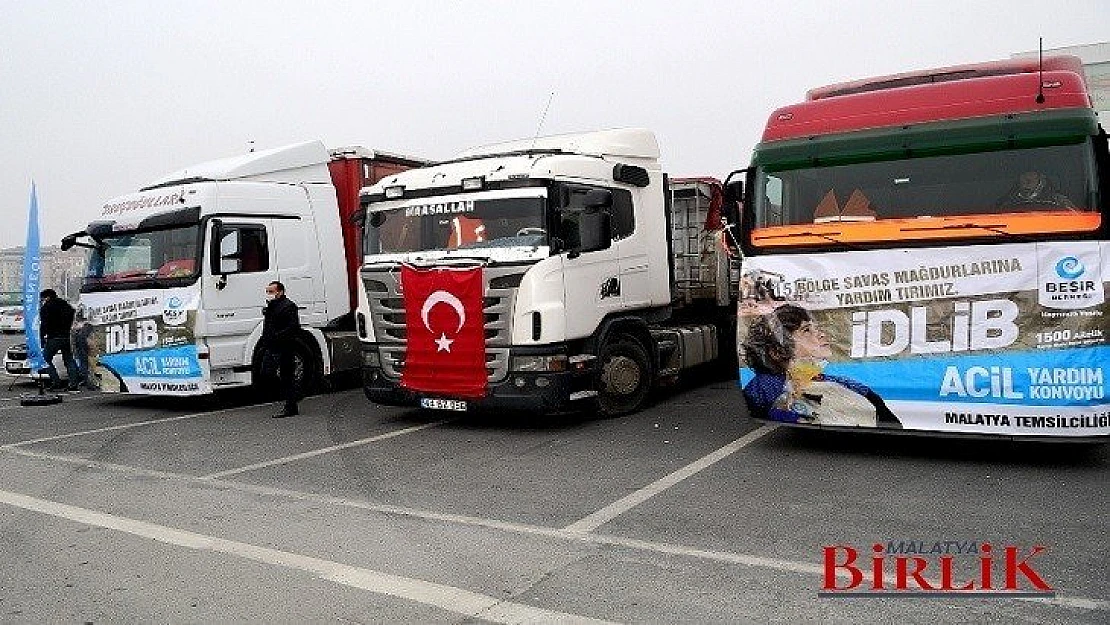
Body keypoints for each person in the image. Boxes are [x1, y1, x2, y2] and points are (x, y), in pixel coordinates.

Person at [741, 304, 901, 427]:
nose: (821, 334)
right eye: (806, 330)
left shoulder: (827, 380)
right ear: (776, 352)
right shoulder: (768, 386)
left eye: (815, 328)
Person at [261, 281, 301, 418]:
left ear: (280, 292)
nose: (269, 294)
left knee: (286, 376)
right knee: (266, 373)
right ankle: (292, 397)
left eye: (271, 292)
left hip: (284, 347)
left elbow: (293, 327)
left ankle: (291, 405)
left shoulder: (288, 306)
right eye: (267, 292)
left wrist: (278, 336)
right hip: (271, 346)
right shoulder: (271, 306)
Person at [38, 289, 79, 391]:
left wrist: (41, 337)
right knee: (69, 359)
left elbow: (44, 325)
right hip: (67, 337)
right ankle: (73, 384)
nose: (42, 300)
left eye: (43, 298)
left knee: (45, 360)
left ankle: (56, 382)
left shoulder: (46, 308)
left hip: (54, 338)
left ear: (47, 297)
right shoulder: (67, 306)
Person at [996, 171, 1077, 210]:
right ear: (1018, 179)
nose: (1028, 178)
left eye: (1032, 174)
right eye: (1024, 174)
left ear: (1041, 179)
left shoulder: (1058, 200)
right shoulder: (1005, 203)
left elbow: (1077, 218)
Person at [71, 305, 97, 390]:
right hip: (84, 345)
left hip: (82, 345)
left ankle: (88, 381)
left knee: (84, 363)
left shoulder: (79, 327)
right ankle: (89, 382)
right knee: (86, 363)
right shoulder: (87, 326)